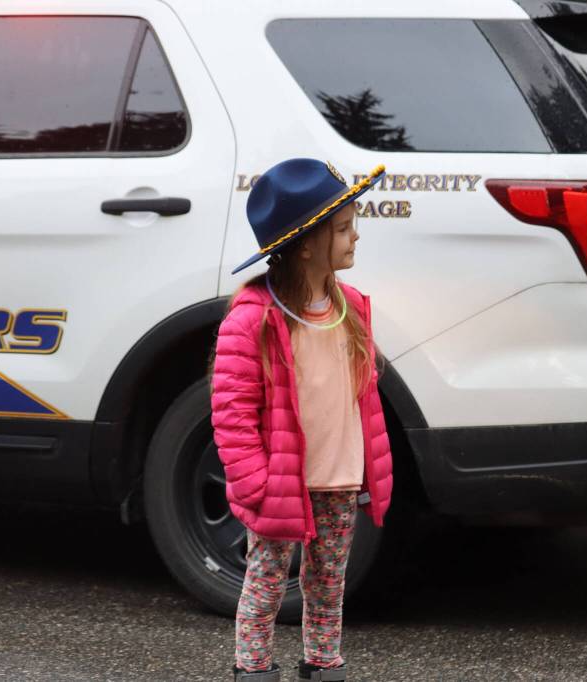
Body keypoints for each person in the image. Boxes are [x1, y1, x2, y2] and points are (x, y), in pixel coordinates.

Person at [211, 158, 394, 682]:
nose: (356, 236)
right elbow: (232, 413)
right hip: (280, 483)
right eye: (343, 228)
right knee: (267, 582)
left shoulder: (352, 306)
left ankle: (323, 664)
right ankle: (253, 670)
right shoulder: (253, 319)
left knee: (329, 582)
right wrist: (255, 482)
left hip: (338, 476)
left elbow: (361, 399)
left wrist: (370, 470)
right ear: (307, 242)